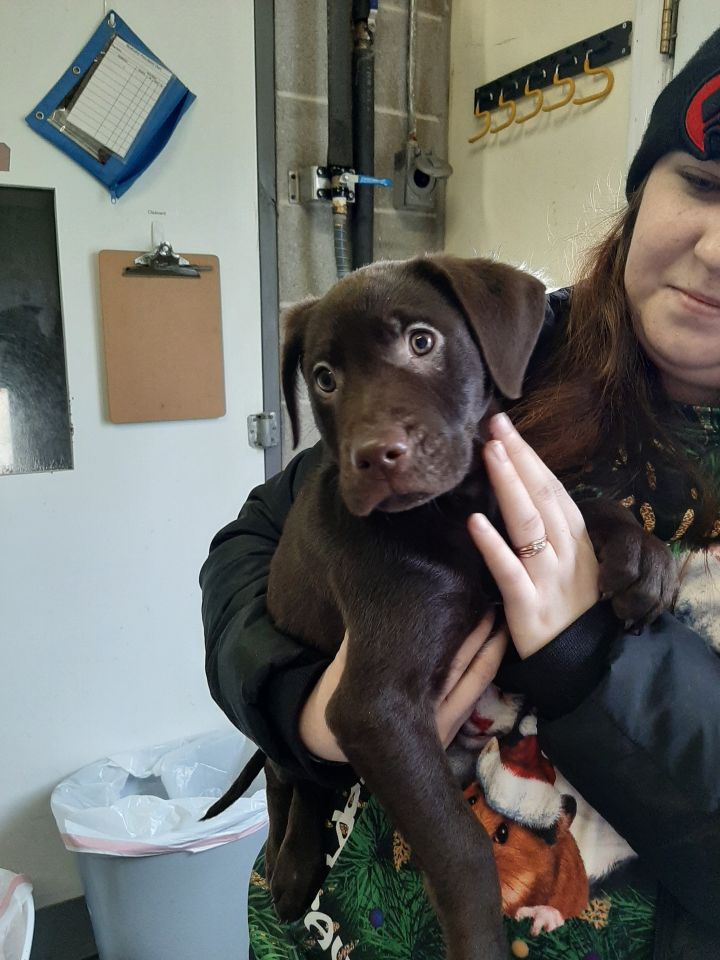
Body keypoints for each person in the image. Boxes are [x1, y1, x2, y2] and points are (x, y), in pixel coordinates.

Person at [201, 29, 720, 960]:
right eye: (704, 184)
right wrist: (297, 712)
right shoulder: (509, 345)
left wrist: (589, 655)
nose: (718, 247)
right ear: (644, 189)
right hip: (332, 931)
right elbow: (252, 543)